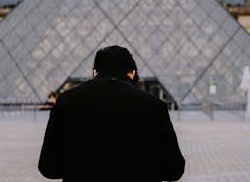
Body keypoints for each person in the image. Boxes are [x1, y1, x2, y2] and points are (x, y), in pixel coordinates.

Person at [38, 45, 185, 182]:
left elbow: (48, 168)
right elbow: (174, 170)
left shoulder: (66, 101)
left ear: (95, 72)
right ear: (132, 73)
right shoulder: (155, 105)